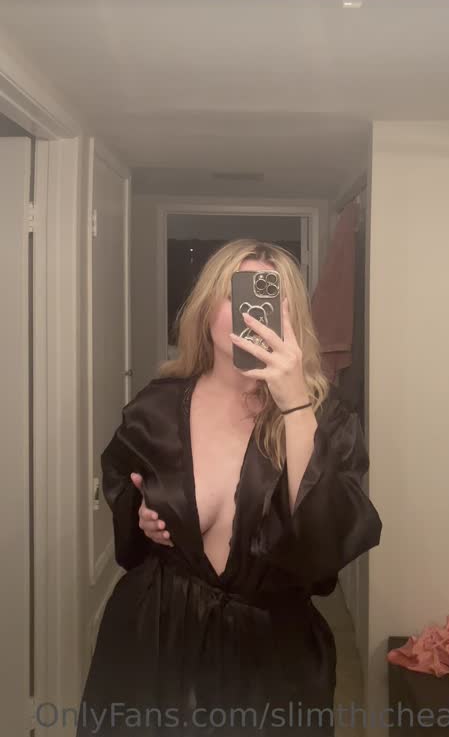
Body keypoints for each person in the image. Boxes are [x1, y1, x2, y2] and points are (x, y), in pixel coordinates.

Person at [76, 239, 382, 737]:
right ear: (206, 309)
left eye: (271, 298)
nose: (251, 313)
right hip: (155, 638)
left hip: (273, 654)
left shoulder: (328, 419)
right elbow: (125, 500)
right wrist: (142, 517)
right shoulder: (156, 408)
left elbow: (325, 545)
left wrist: (295, 406)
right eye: (235, 294)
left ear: (292, 318)